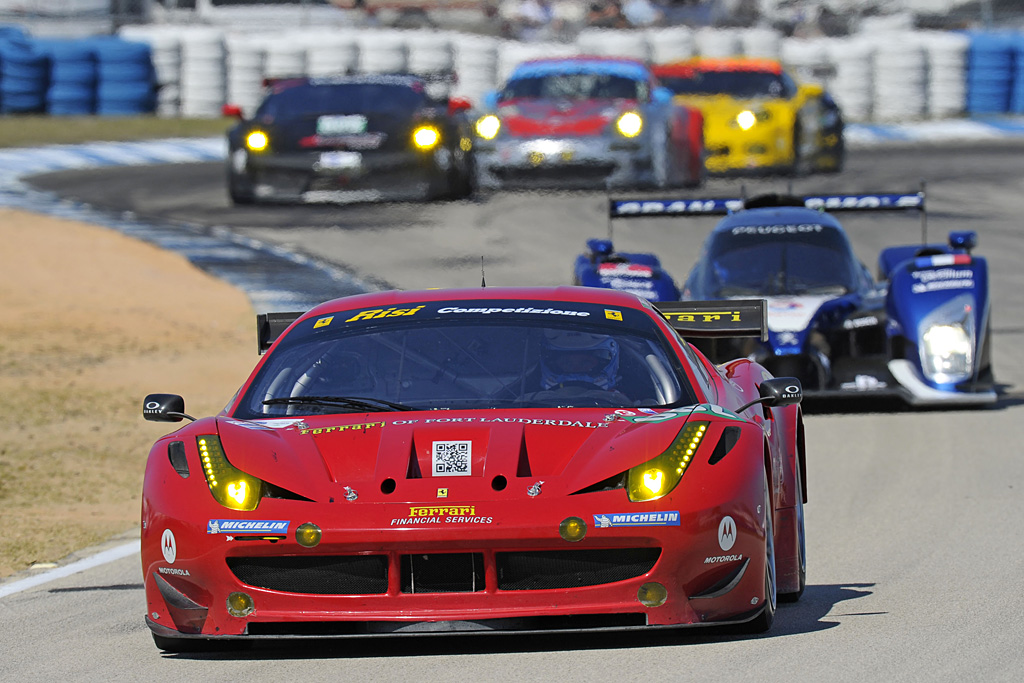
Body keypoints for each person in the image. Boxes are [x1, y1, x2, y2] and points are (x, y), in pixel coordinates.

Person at [540, 329, 621, 391]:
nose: (576, 369)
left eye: (586, 363)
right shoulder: (530, 403)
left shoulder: (625, 406)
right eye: (566, 363)